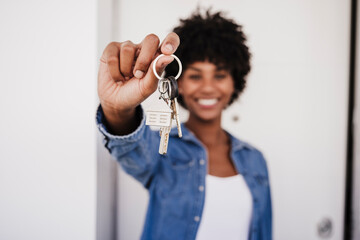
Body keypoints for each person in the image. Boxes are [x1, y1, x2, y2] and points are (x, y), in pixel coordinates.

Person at [96, 9, 272, 240]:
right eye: (195, 76)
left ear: (234, 81)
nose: (208, 87)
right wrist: (117, 108)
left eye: (219, 75)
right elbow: (132, 146)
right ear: (176, 81)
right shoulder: (164, 150)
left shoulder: (255, 160)